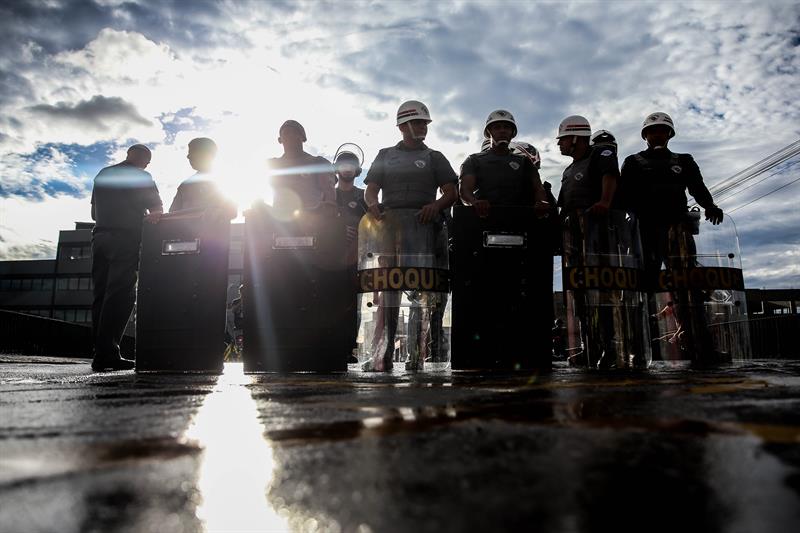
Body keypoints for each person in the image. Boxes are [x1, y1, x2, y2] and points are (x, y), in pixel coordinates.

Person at [619, 112, 724, 363]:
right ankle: (639, 348)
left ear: (670, 134)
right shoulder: (633, 162)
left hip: (678, 232)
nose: (658, 134)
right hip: (645, 232)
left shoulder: (684, 161)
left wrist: (709, 206)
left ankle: (698, 345)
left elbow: (697, 186)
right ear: (645, 135)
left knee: (688, 287)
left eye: (662, 130)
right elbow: (622, 197)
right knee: (642, 289)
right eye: (653, 131)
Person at [362, 100, 458, 371]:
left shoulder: (434, 157)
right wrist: (372, 203)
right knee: (388, 291)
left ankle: (416, 355)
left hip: (424, 229)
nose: (422, 128)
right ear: (403, 126)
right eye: (417, 123)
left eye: (425, 124)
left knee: (419, 293)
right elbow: (371, 189)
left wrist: (436, 206)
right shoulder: (385, 155)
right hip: (390, 229)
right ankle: (383, 354)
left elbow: (450, 192)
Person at [556, 115, 622, 368]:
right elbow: (563, 205)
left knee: (601, 290)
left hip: (597, 230)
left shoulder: (601, 153)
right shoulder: (569, 170)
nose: (559, 145)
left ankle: (611, 347)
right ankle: (590, 346)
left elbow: (610, 177)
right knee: (580, 292)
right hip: (573, 233)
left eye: (562, 140)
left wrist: (605, 202)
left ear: (575, 138)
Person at [90, 144, 163, 371]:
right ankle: (107, 354)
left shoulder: (103, 174)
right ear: (144, 161)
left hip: (99, 238)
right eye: (147, 162)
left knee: (100, 296)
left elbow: (93, 213)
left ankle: (100, 351)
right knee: (121, 295)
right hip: (125, 239)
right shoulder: (142, 176)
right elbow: (157, 211)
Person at [459, 110, 550, 216]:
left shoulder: (525, 162)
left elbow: (538, 188)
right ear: (489, 132)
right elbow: (465, 190)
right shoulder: (473, 160)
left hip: (519, 220)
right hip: (483, 220)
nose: (502, 131)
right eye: (497, 127)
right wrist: (474, 202)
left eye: (507, 127)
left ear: (512, 133)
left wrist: (542, 203)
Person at [334, 145, 368, 361]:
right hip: (329, 257)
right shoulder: (327, 195)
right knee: (329, 300)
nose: (347, 169)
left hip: (356, 258)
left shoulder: (365, 196)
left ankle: (348, 348)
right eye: (343, 165)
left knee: (352, 305)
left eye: (351, 166)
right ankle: (328, 343)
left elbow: (375, 221)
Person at [268, 120, 336, 216]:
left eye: (295, 132)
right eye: (286, 133)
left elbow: (329, 195)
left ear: (303, 137)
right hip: (281, 222)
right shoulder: (272, 165)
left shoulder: (319, 163)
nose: (290, 136)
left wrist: (327, 210)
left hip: (312, 221)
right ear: (280, 140)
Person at [169, 137, 236, 218]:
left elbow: (232, 212)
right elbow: (172, 214)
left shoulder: (224, 181)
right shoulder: (184, 186)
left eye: (193, 152)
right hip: (185, 230)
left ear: (208, 154)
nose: (188, 156)